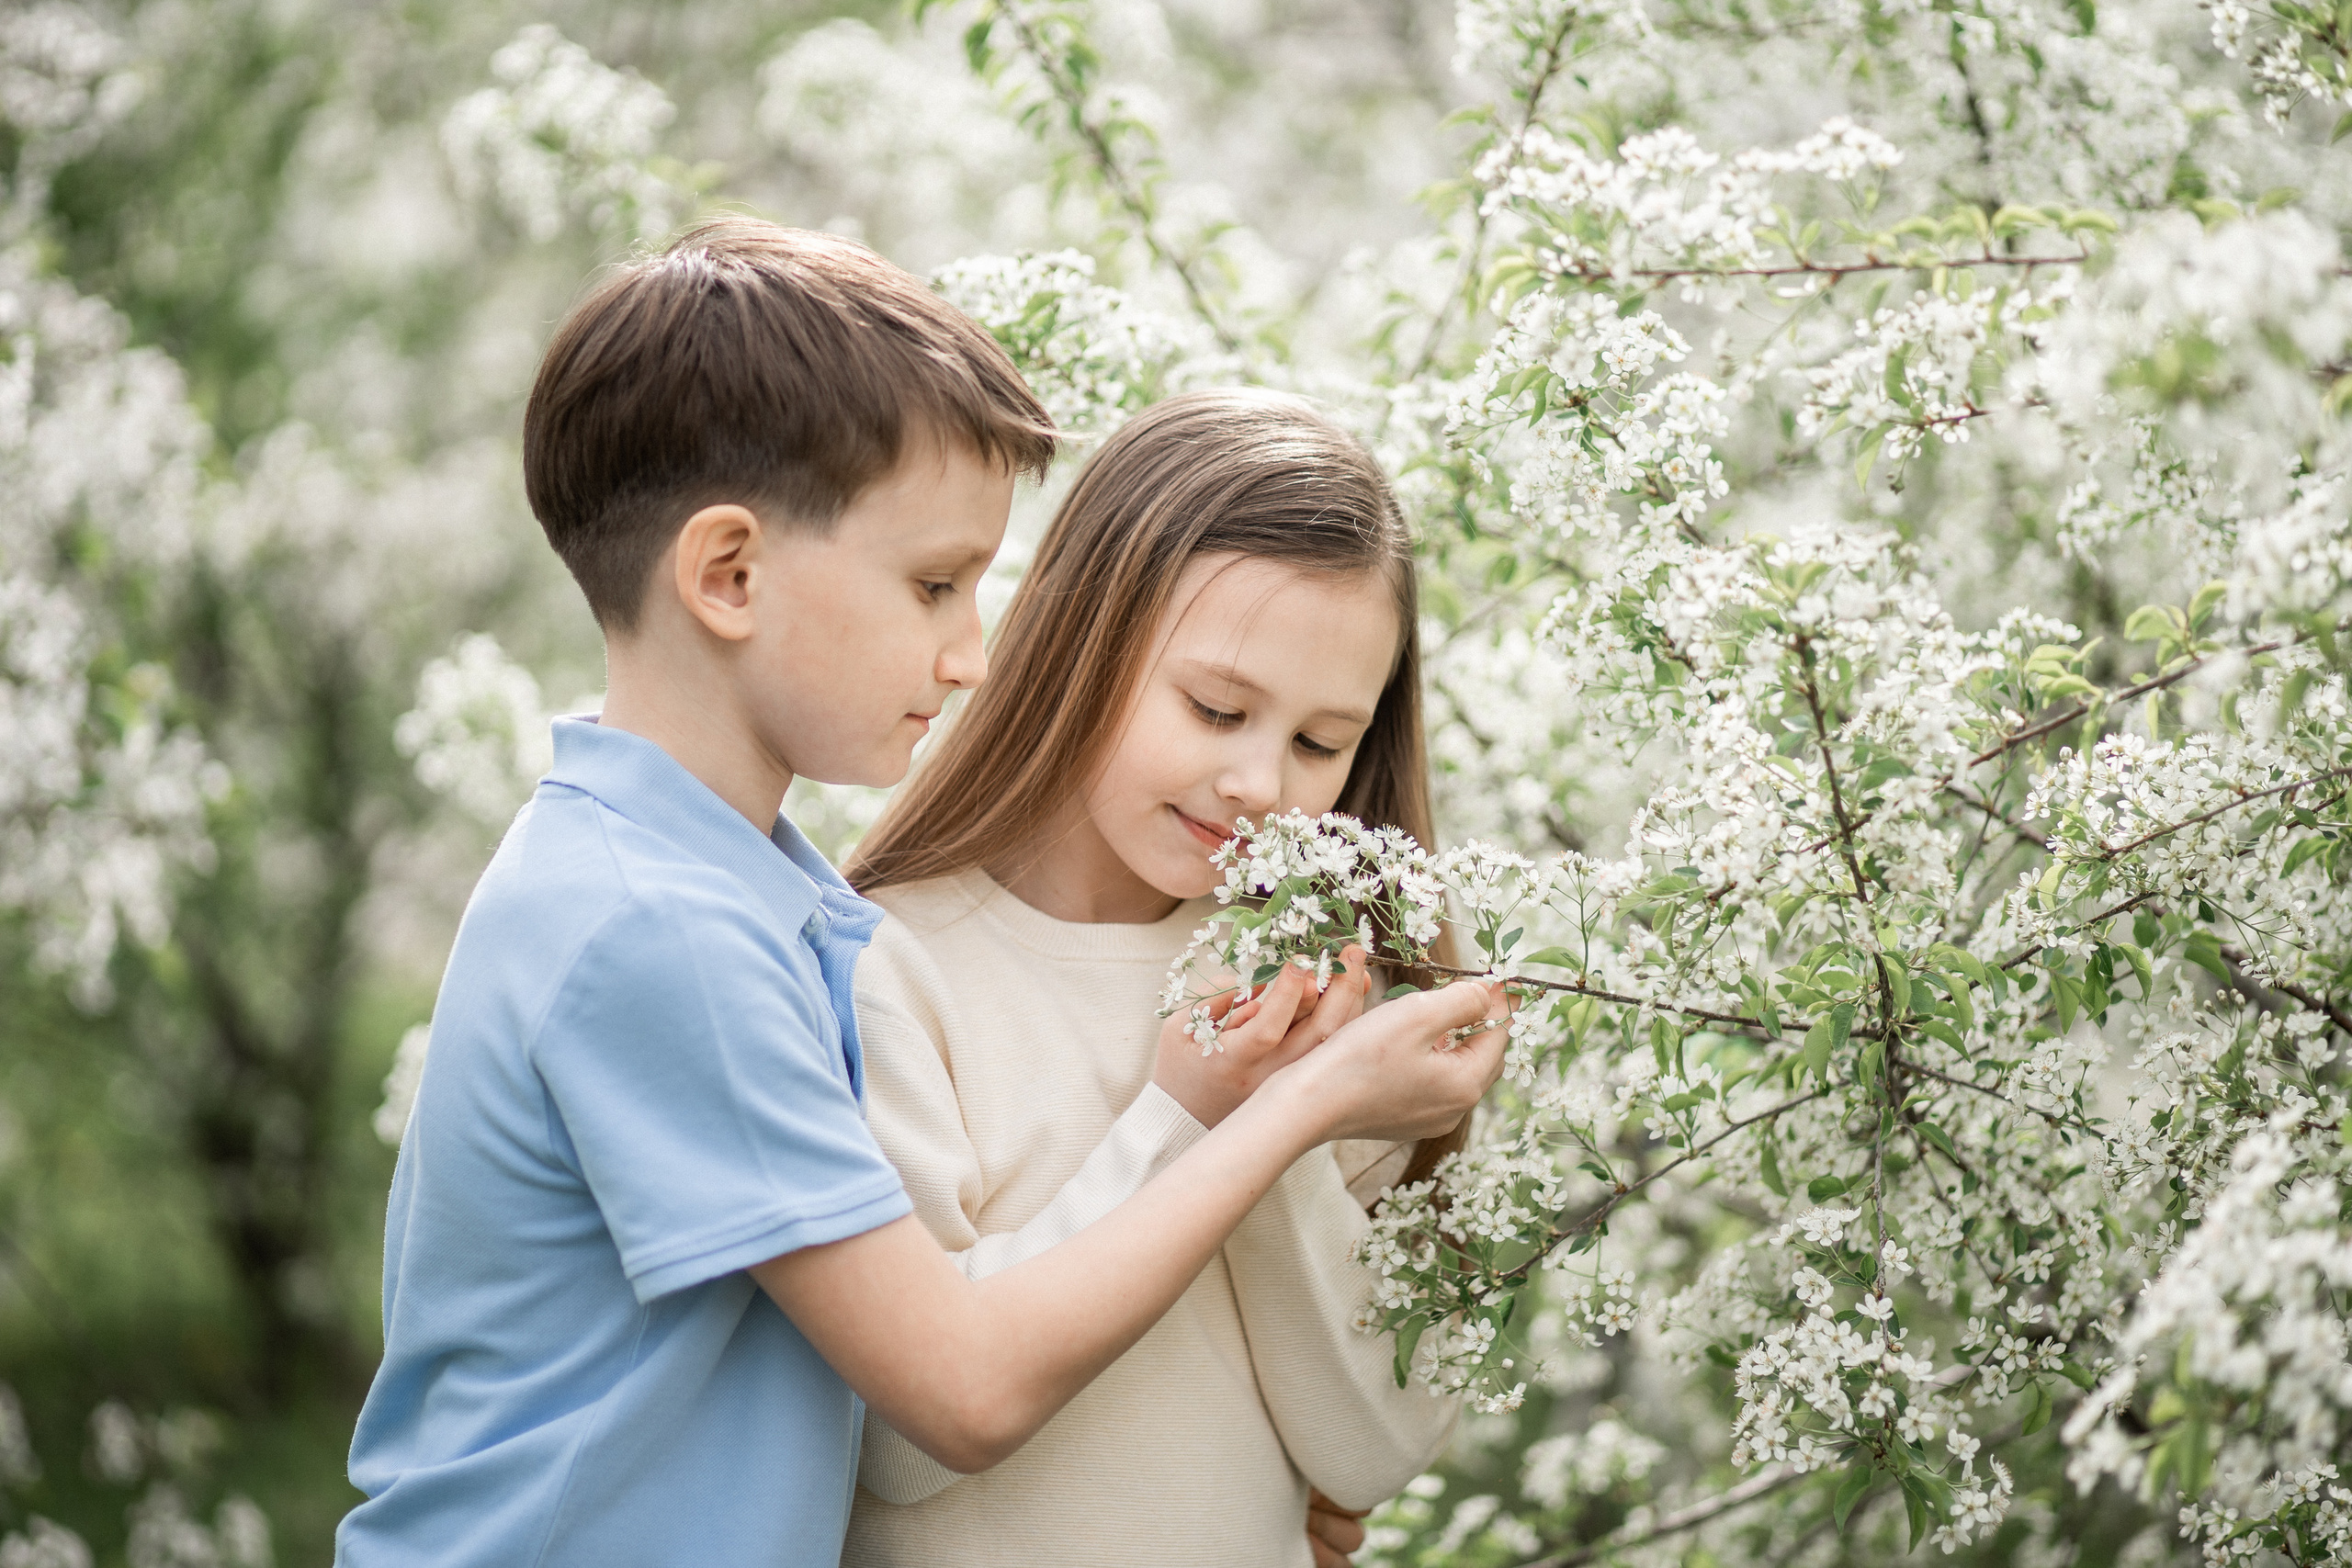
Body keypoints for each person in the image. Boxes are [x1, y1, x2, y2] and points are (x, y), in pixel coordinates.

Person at [334, 220, 1510, 1568]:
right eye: (936, 583)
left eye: (1316, 739)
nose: (971, 652)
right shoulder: (659, 930)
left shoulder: (760, 899)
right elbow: (951, 1386)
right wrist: (1279, 1105)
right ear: (728, 575)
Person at [841, 389, 1472, 1568]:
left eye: (1319, 742)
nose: (1256, 781)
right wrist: (1200, 1117)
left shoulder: (1327, 992)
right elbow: (899, 1436)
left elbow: (1370, 1451)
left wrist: (1289, 1108)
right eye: (1216, 707)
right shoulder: (888, 967)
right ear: (1082, 638)